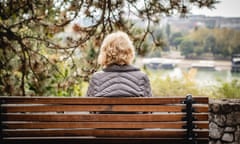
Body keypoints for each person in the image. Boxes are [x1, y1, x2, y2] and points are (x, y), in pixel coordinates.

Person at [86, 31, 152, 98]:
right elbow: (150, 106)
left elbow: (87, 106)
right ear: (129, 51)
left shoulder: (97, 78)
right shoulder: (142, 77)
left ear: (105, 52)